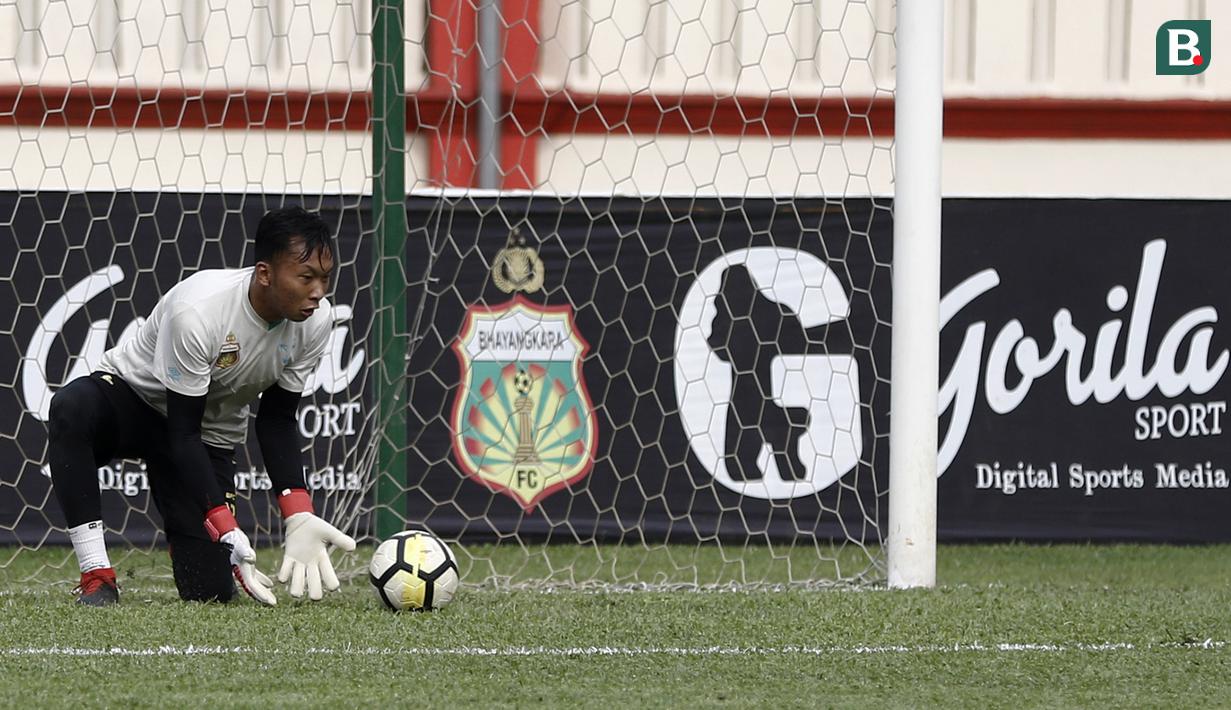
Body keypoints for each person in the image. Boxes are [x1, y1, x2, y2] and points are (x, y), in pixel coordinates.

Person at [47, 206, 355, 606]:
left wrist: (298, 512)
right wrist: (223, 522)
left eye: (325, 278)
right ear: (265, 273)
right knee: (72, 408)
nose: (318, 291)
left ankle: (188, 540)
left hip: (206, 431)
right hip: (135, 400)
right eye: (306, 277)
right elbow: (181, 431)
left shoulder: (317, 321)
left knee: (210, 591)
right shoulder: (199, 312)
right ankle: (97, 575)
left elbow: (277, 420)